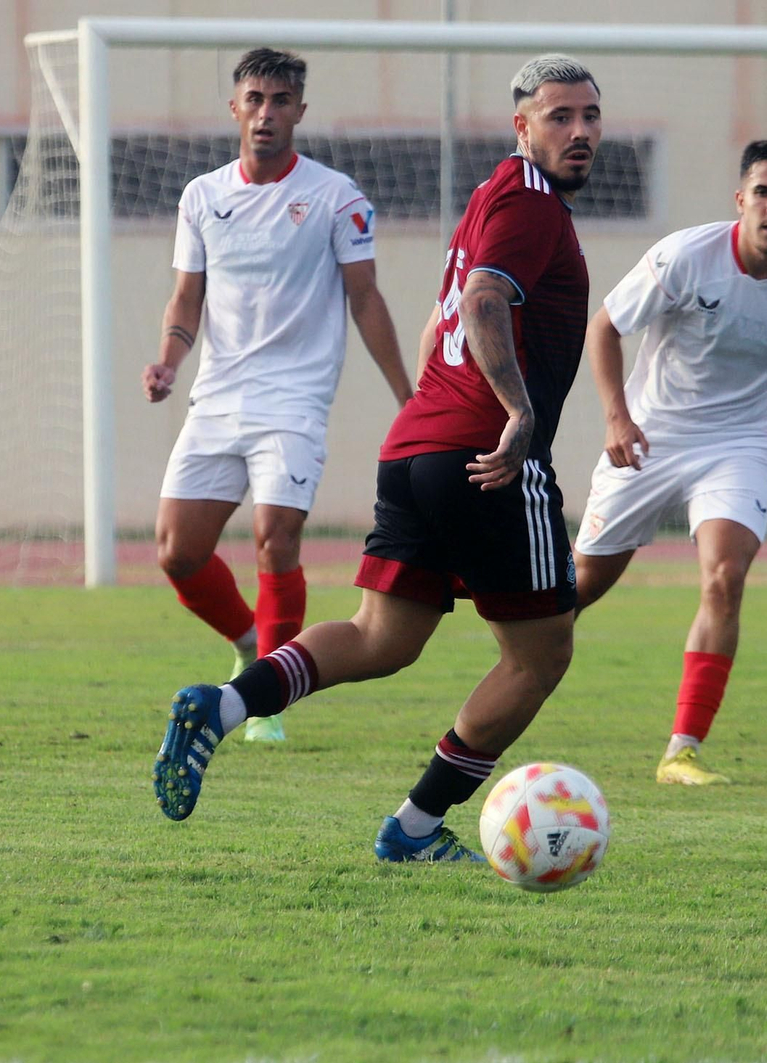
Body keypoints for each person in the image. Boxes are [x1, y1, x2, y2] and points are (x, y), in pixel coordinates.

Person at [152, 54, 603, 865]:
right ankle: (416, 827)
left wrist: (436, 399)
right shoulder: (531, 206)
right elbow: (481, 299)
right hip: (482, 452)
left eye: (589, 116)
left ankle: (219, 706)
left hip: (418, 446)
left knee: (382, 637)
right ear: (523, 126)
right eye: (560, 116)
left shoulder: (492, 197)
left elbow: (441, 325)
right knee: (542, 653)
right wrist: (519, 411)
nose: (579, 131)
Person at [572, 140, 767, 786]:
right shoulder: (684, 256)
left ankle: (681, 750)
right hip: (653, 434)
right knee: (581, 586)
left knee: (725, 577)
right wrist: (617, 417)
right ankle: (513, 665)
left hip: (739, 444)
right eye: (762, 192)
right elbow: (605, 328)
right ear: (741, 199)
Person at [146, 48, 414, 743]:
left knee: (277, 536)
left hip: (293, 402)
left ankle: (266, 697)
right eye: (255, 98)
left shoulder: (336, 196)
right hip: (218, 397)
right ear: (235, 107)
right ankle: (249, 648)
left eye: (281, 100)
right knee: (177, 551)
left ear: (300, 109)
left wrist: (409, 397)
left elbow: (366, 299)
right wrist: (170, 360)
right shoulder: (203, 195)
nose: (267, 112)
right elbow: (186, 297)